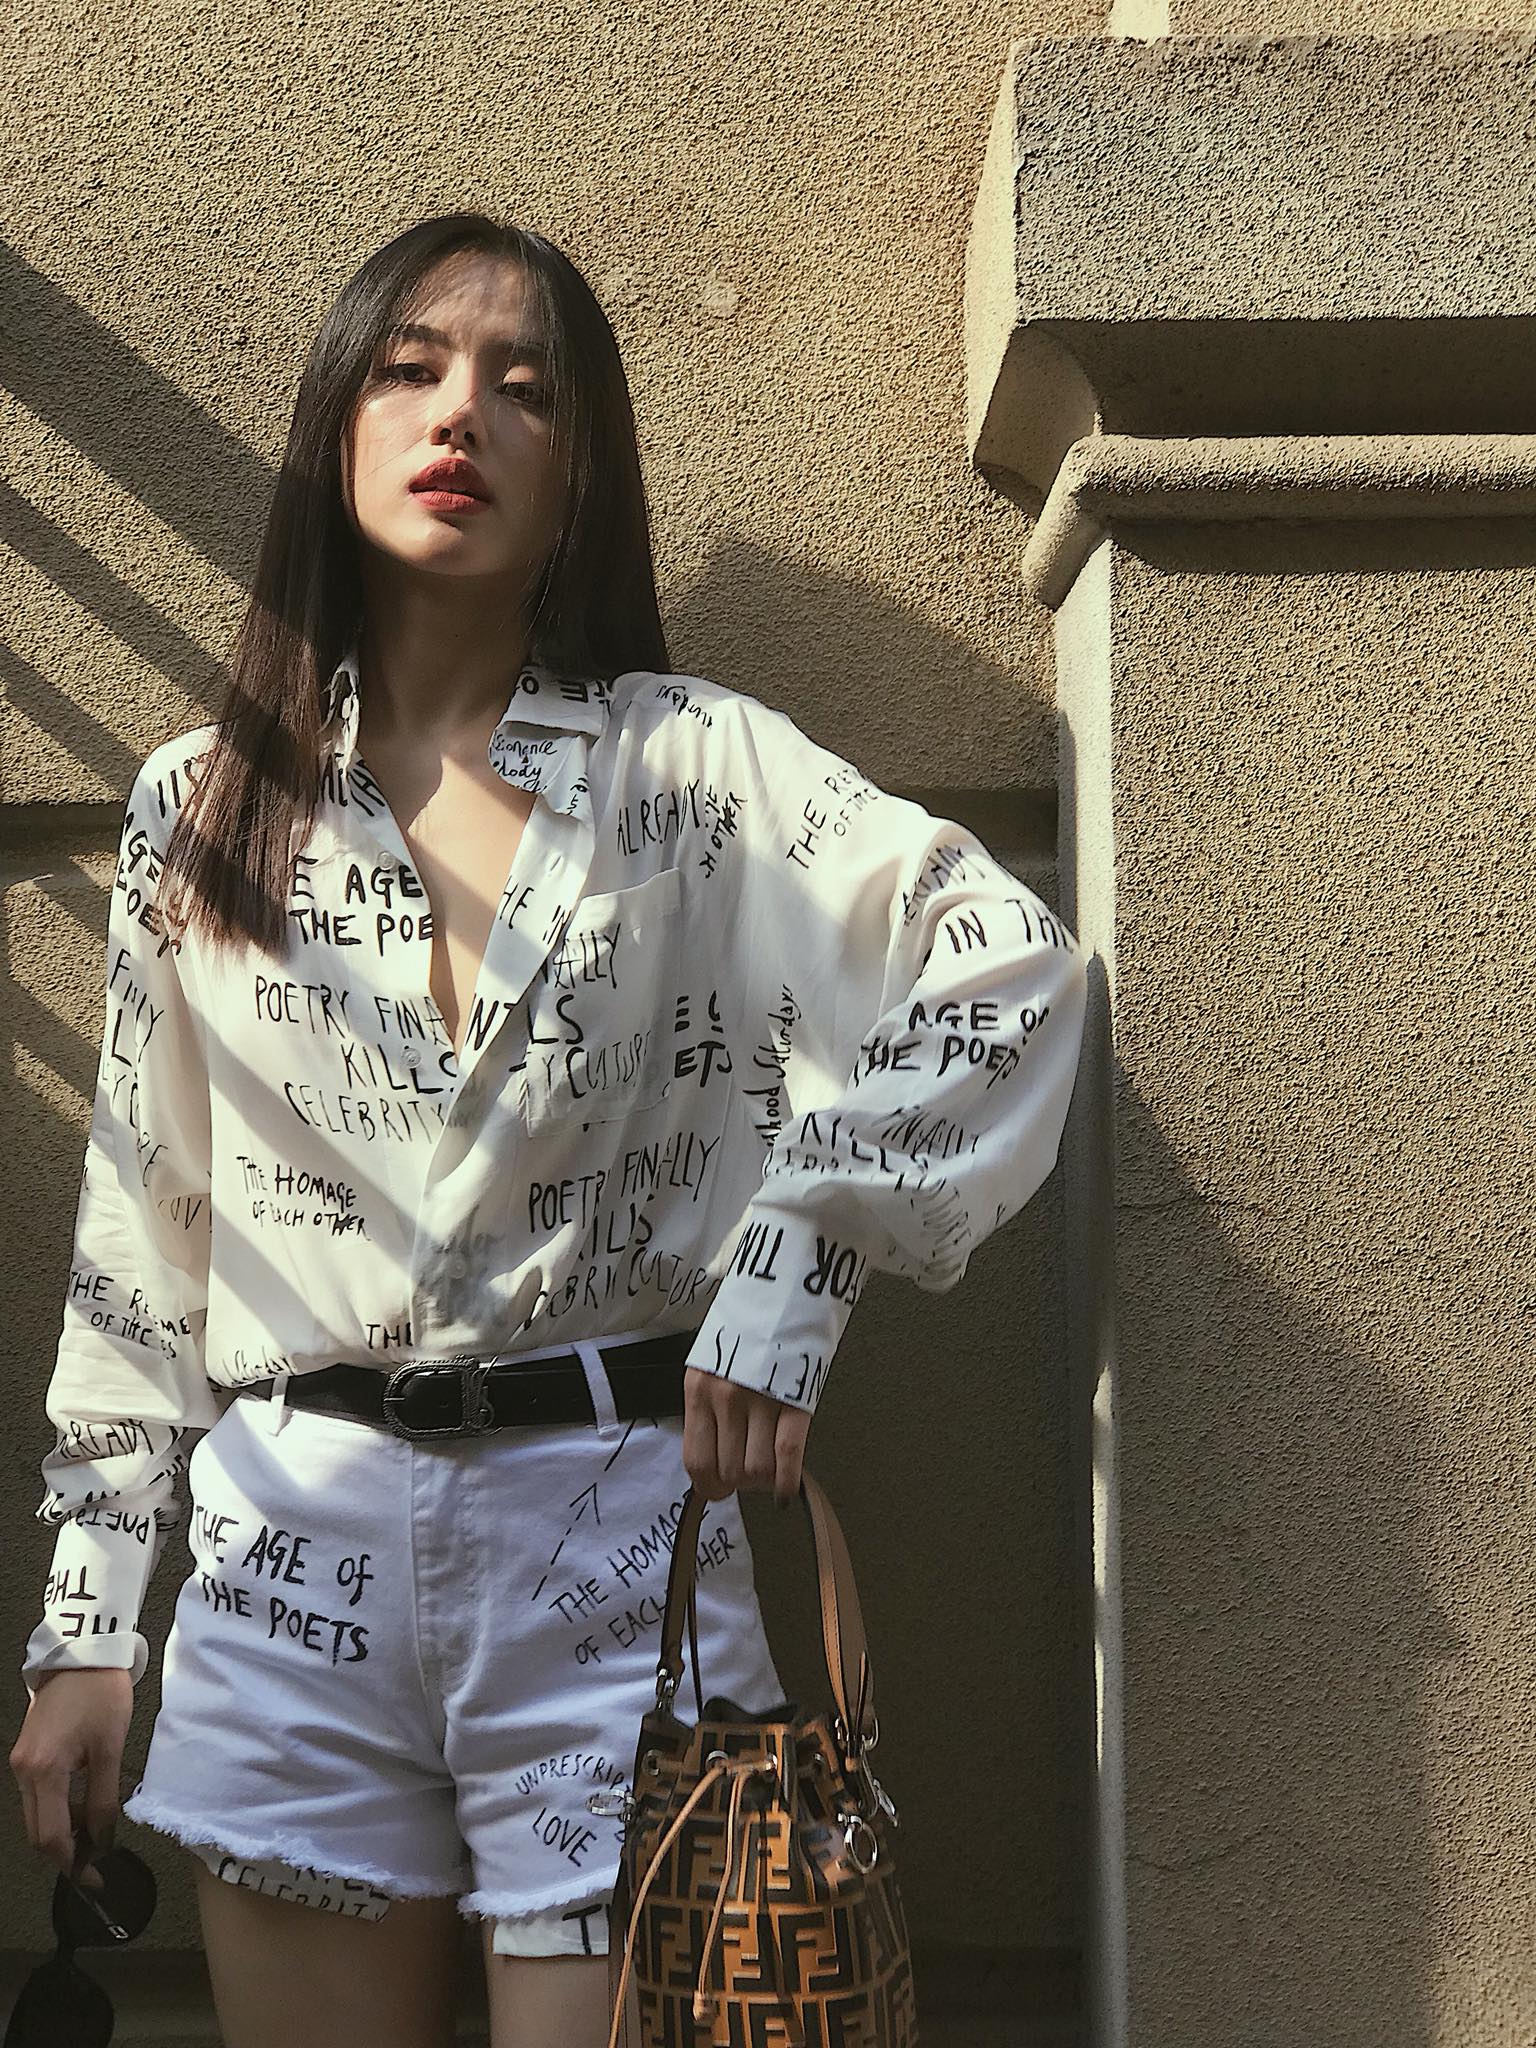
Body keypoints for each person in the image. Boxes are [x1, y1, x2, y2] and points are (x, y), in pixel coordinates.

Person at [8, 214, 1089, 2048]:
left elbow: (1008, 971)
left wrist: (803, 1256)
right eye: (411, 368)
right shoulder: (204, 804)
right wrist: (90, 1623)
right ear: (335, 426)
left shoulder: (695, 767)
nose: (463, 415)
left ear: (581, 470)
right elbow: (145, 1231)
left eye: (526, 388)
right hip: (291, 1564)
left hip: (613, 1554)